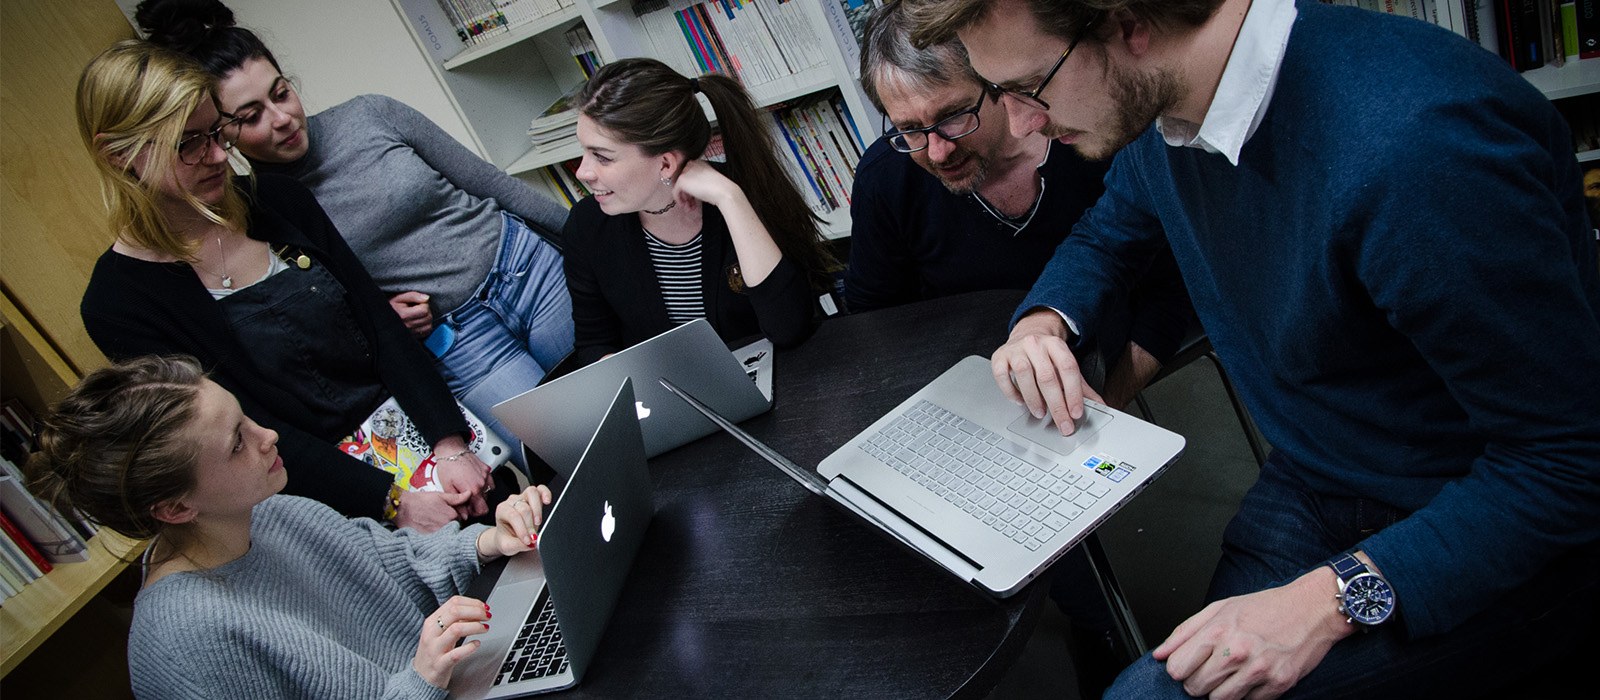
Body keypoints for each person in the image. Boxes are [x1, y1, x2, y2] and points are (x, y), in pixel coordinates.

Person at [905, 0, 1600, 698]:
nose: (1022, 122)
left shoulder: (1420, 151)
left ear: (1128, 25)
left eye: (1029, 86)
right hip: (1318, 471)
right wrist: (1042, 324)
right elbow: (1108, 233)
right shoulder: (1170, 100)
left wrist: (1329, 600)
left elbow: (1569, 465)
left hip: (1480, 523)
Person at [77, 40, 491, 532]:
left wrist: (449, 443)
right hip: (320, 500)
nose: (217, 156)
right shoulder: (117, 304)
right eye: (188, 143)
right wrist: (392, 502)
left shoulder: (277, 200)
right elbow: (244, 430)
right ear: (118, 154)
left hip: (428, 440)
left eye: (216, 132)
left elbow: (379, 325)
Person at [135, 0, 574, 449]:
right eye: (251, 117)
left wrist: (599, 244)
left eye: (281, 93)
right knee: (565, 449)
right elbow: (326, 311)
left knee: (632, 403)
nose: (282, 118)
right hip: (460, 341)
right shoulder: (264, 210)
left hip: (528, 270)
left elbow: (493, 184)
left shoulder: (372, 114)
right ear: (218, 132)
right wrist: (381, 316)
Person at [27, 354, 554, 698]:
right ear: (174, 508)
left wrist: (486, 542)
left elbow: (397, 562)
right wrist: (420, 681)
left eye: (246, 418)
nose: (269, 436)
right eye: (237, 442)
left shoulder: (274, 511)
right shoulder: (182, 642)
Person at [851, 0, 1192, 409]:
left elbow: (1168, 285)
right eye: (910, 129)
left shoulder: (1098, 135)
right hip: (971, 396)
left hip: (1104, 369)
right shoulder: (887, 178)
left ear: (997, 79)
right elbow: (877, 325)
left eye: (954, 116)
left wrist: (1103, 408)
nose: (937, 152)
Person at [563, 57, 837, 366]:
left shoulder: (744, 193)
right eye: (584, 151)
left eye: (602, 157)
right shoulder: (587, 225)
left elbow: (790, 329)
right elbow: (594, 342)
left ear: (665, 163)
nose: (583, 172)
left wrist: (731, 200)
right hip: (669, 396)